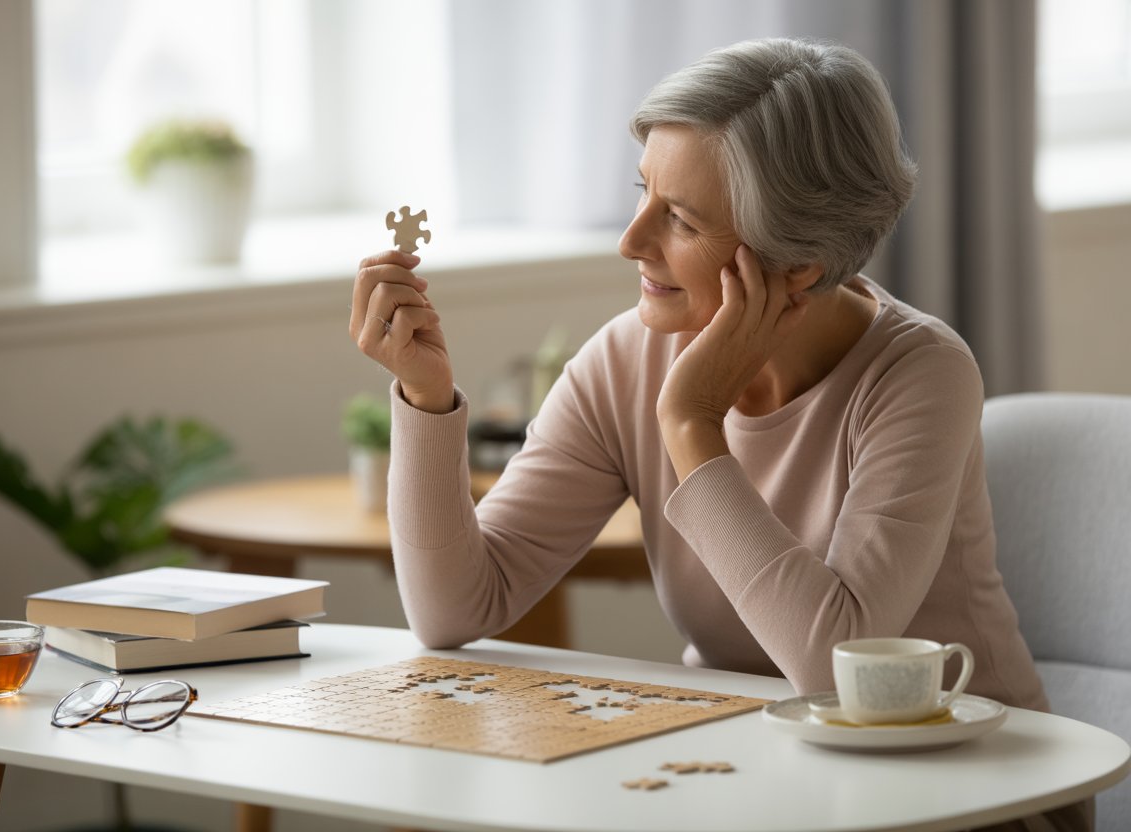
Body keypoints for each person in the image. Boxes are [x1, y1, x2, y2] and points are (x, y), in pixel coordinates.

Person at [350, 38, 1088, 831]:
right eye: (643, 194)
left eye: (681, 219)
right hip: (753, 781)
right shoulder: (623, 360)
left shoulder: (921, 375)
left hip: (969, 794)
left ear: (796, 264)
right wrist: (426, 400)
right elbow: (454, 609)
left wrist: (692, 424)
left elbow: (836, 666)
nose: (631, 242)